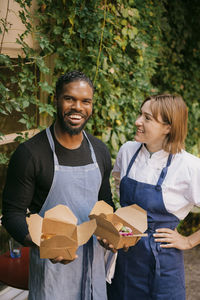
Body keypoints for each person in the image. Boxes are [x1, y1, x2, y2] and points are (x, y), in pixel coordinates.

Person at [2, 70, 114, 300]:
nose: (78, 107)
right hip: (52, 272)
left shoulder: (100, 151)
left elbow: (104, 203)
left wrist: (112, 233)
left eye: (85, 101)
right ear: (56, 99)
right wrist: (44, 244)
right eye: (69, 98)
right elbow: (12, 214)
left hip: (93, 269)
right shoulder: (30, 154)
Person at [106, 94, 200, 300]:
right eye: (140, 114)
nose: (138, 121)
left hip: (163, 267)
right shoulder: (127, 151)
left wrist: (189, 242)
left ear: (168, 127)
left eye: (147, 118)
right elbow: (118, 185)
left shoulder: (189, 166)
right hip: (125, 260)